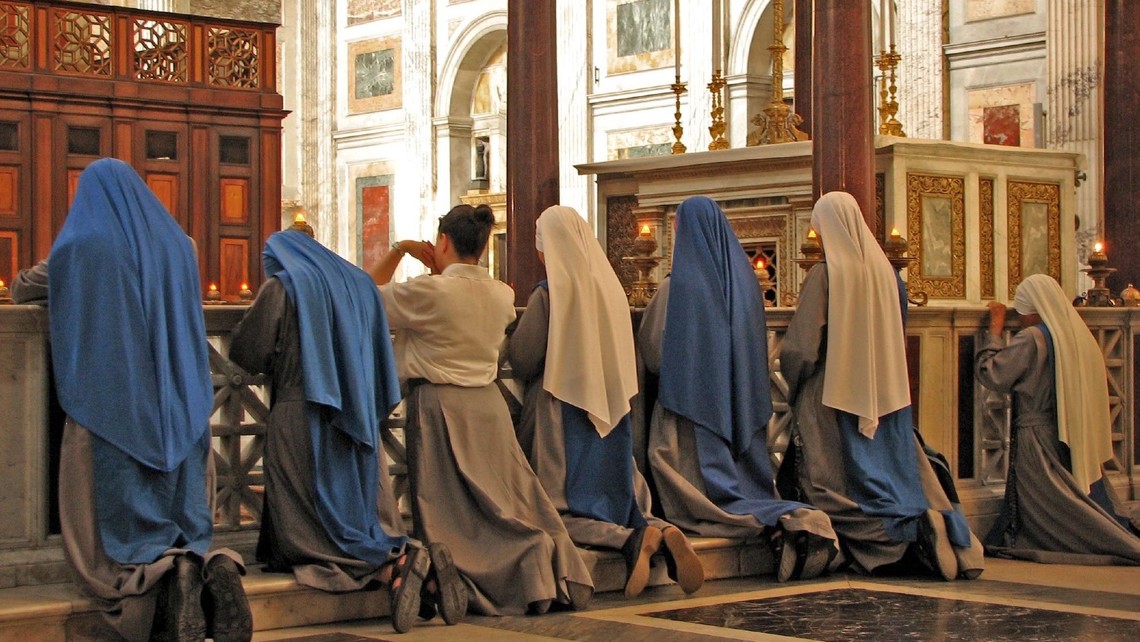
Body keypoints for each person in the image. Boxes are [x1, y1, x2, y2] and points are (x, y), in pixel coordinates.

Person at [14, 158, 252, 642]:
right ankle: (207, 564)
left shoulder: (80, 246)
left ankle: (155, 579)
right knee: (181, 509)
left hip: (110, 403)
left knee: (115, 533)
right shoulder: (180, 246)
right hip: (181, 399)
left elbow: (23, 288)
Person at [228, 228, 465, 634]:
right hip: (356, 417)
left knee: (313, 537)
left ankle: (395, 564)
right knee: (351, 514)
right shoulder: (358, 284)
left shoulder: (284, 287)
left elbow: (248, 351)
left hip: (299, 414)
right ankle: (411, 562)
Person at [371, 203, 594, 615]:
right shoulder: (502, 293)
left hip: (441, 404)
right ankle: (543, 560)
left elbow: (364, 292)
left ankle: (510, 564)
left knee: (453, 515)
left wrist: (401, 249)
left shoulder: (427, 290)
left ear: (441, 241)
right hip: (488, 405)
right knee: (508, 502)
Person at [779, 190, 984, 580]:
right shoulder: (888, 274)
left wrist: (791, 383)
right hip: (888, 392)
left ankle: (903, 533)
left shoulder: (826, 274)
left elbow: (803, 346)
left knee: (831, 486)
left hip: (831, 393)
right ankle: (947, 532)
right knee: (887, 476)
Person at [638, 195, 839, 583]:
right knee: (750, 485)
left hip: (689, 414)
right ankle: (795, 520)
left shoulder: (675, 287)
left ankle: (778, 524)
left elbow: (654, 353)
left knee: (705, 496)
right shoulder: (748, 283)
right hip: (742, 407)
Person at [507, 205, 704, 598]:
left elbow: (525, 357)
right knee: (620, 497)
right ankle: (662, 530)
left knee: (558, 509)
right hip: (612, 410)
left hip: (558, 409)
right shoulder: (612, 287)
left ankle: (628, 542)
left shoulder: (550, 295)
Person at [976, 273, 1140, 564]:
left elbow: (994, 373)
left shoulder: (1032, 338)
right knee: (1076, 497)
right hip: (1068, 432)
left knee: (1055, 505)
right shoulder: (1073, 333)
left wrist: (995, 331)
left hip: (1037, 436)